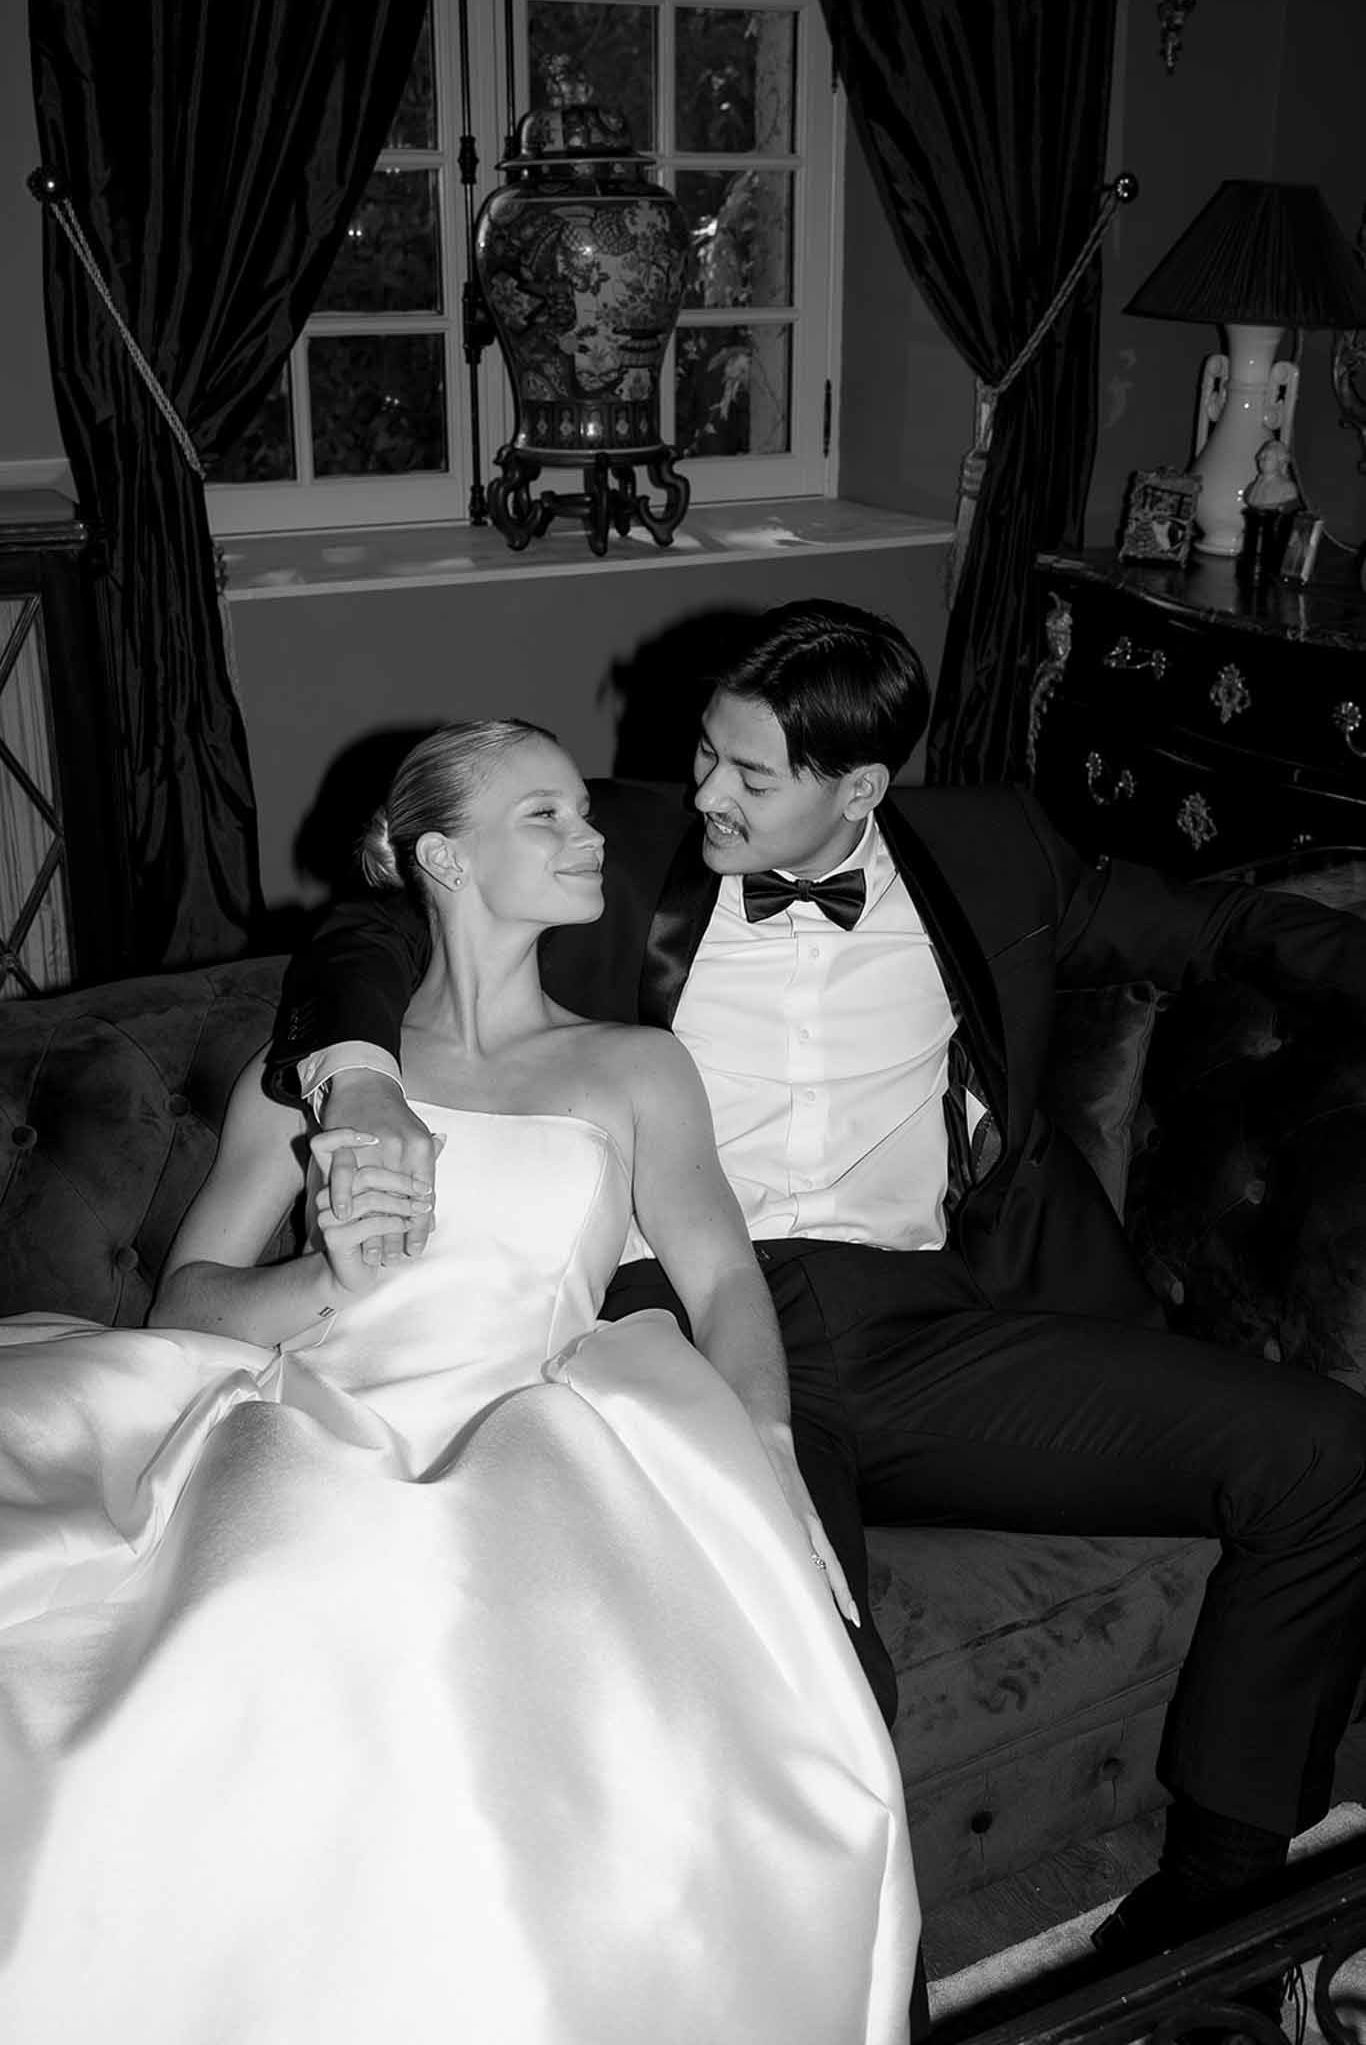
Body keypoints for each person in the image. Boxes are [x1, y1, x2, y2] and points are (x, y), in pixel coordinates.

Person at [276, 601, 1366, 2037]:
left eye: (751, 776)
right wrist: (353, 1078)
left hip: (927, 1326)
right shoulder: (612, 846)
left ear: (857, 789)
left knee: (1322, 1456)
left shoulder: (991, 856)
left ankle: (1216, 1910)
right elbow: (369, 916)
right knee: (815, 1662)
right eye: (703, 758)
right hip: (680, 1334)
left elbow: (1223, 920)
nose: (706, 794)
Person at [0, 719, 918, 2045]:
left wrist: (767, 1447)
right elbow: (192, 1299)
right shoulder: (316, 1076)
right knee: (276, 1589)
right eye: (544, 816)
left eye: (579, 812)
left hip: (530, 1423)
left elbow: (722, 1283)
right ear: (442, 857)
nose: (589, 832)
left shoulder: (634, 1066)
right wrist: (338, 1280)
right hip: (312, 1411)